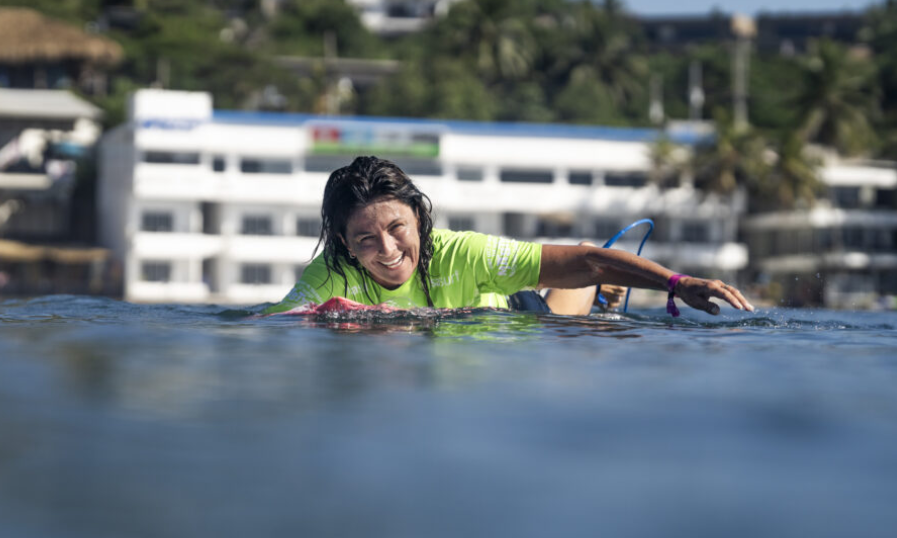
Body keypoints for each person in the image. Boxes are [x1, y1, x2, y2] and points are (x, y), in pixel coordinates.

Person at [264, 156, 753, 316]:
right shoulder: (330, 273)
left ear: (418, 218)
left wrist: (676, 283)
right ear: (347, 244)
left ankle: (594, 299)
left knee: (566, 323)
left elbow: (585, 258)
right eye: (366, 239)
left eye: (396, 229)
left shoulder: (465, 253)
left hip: (513, 314)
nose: (388, 251)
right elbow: (275, 322)